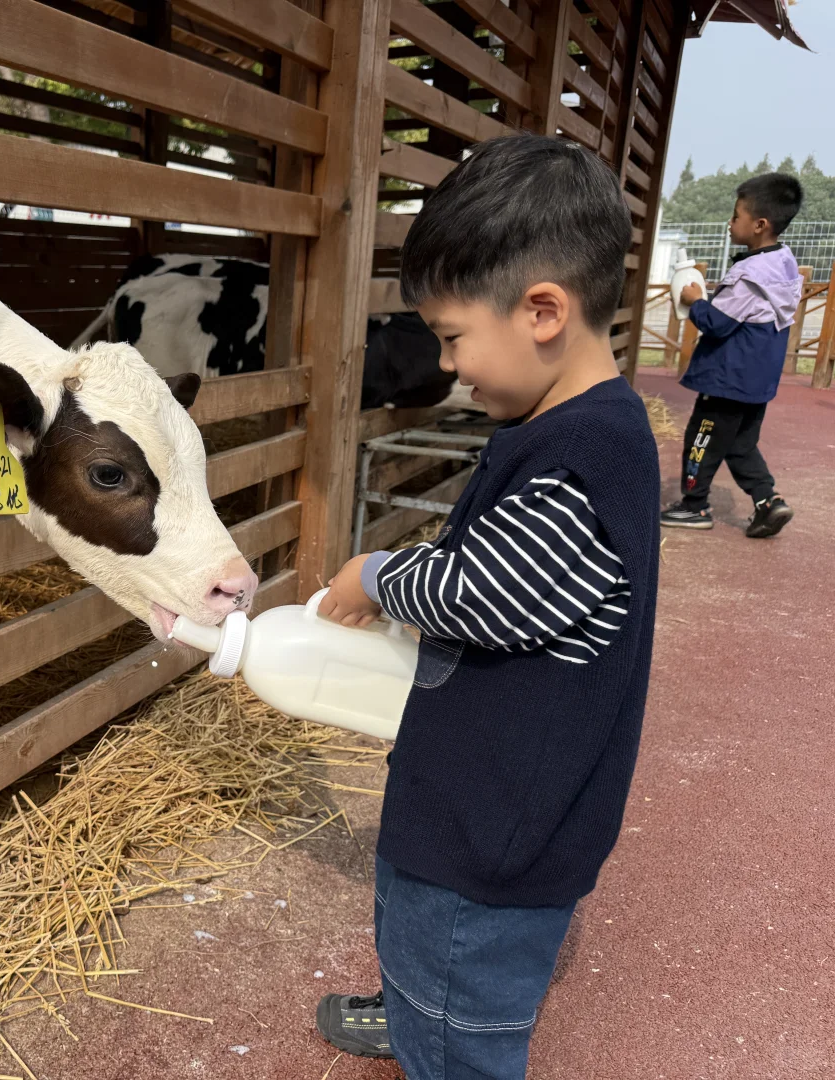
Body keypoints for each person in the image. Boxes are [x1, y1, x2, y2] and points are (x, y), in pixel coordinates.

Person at [311, 134, 660, 1080]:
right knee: (414, 923)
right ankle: (414, 1008)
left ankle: (441, 1036)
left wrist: (379, 573)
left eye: (455, 336)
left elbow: (479, 592)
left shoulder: (587, 458)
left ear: (542, 310)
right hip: (471, 793)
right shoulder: (558, 426)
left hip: (497, 832)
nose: (448, 363)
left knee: (457, 982)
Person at [661, 173, 804, 537]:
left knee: (700, 442)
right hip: (756, 383)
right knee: (741, 443)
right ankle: (768, 501)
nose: (730, 221)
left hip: (727, 381)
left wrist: (695, 301)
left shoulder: (749, 273)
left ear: (759, 225)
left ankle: (694, 507)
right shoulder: (783, 265)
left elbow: (719, 324)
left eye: (736, 215)